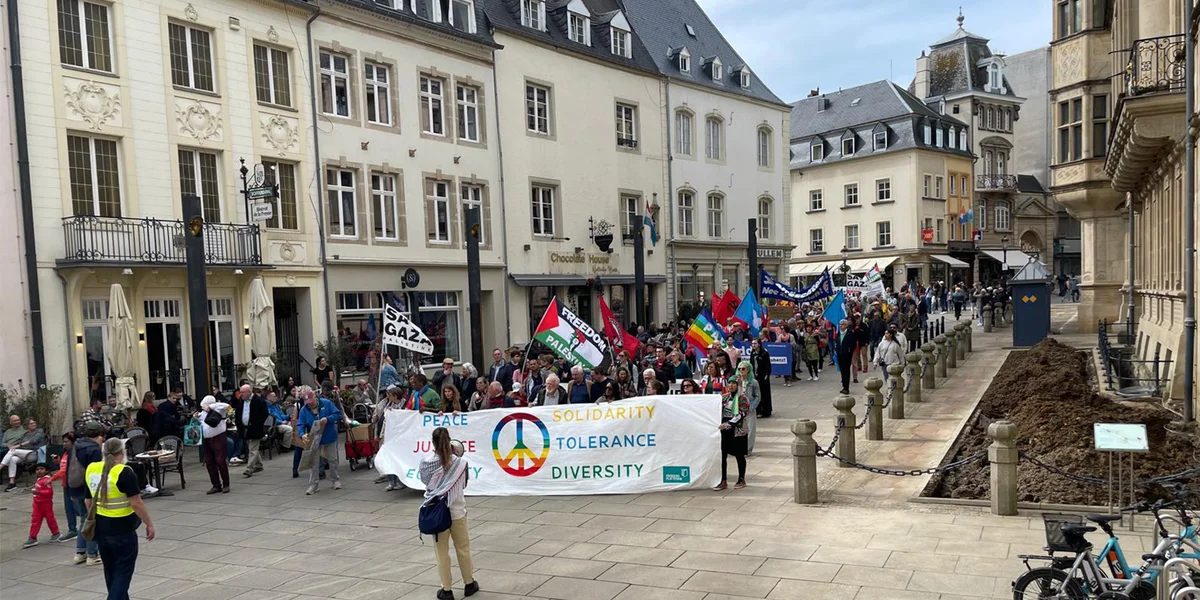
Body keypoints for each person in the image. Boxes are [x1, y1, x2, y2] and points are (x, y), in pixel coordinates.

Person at [85, 437, 155, 600]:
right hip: (122, 528)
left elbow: (87, 501)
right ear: (122, 452)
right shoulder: (124, 472)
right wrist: (149, 523)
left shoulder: (91, 469)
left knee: (111, 572)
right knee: (123, 573)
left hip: (101, 528)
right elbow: (136, 503)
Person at [419, 427, 478, 600]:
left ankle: (446, 589)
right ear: (449, 440)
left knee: (442, 552)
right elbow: (464, 484)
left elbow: (424, 481)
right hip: (457, 510)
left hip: (437, 512)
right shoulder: (461, 463)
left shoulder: (426, 462)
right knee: (463, 548)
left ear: (433, 443)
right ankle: (469, 583)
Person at [297, 385, 343, 495]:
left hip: (328, 435)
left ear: (315, 396)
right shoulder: (304, 410)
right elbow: (300, 423)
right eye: (307, 401)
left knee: (332, 459)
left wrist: (327, 419)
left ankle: (335, 479)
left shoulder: (326, 403)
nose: (310, 403)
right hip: (314, 437)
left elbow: (337, 414)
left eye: (311, 400)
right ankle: (314, 484)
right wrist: (302, 434)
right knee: (313, 461)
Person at [67, 422, 103, 564]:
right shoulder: (93, 449)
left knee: (83, 520)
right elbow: (94, 473)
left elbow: (69, 467)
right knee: (92, 520)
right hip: (88, 489)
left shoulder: (75, 446)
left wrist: (69, 490)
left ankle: (80, 552)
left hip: (74, 487)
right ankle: (92, 554)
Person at [714, 379, 750, 491]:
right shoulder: (724, 397)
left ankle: (741, 478)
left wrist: (728, 424)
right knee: (722, 455)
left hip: (738, 430)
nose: (731, 385)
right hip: (724, 431)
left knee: (739, 455)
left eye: (734, 383)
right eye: (729, 383)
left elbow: (742, 414)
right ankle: (723, 480)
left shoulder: (743, 398)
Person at [197, 396, 231, 494]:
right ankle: (216, 485)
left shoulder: (219, 409)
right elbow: (200, 422)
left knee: (220, 461)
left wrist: (212, 406)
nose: (203, 408)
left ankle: (226, 484)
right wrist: (196, 417)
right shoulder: (203, 413)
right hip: (207, 439)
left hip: (218, 437)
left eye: (204, 406)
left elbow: (228, 406)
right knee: (209, 462)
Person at [233, 385, 269, 478]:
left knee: (252, 449)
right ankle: (259, 465)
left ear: (249, 392)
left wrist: (257, 423)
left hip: (254, 428)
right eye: (240, 392)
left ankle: (249, 468)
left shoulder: (258, 401)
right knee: (251, 447)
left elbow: (265, 413)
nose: (241, 394)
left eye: (243, 392)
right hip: (244, 428)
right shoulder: (241, 401)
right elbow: (238, 414)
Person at [23, 462, 61, 548]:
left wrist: (39, 492)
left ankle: (55, 533)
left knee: (49, 519)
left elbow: (49, 492)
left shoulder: (46, 481)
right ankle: (33, 537)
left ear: (46, 470)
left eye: (41, 469)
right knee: (36, 520)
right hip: (38, 504)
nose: (39, 471)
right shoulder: (40, 480)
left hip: (45, 503)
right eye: (37, 469)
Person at [3, 418, 45, 491]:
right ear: (27, 426)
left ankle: (1, 466)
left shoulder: (39, 431)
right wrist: (13, 445)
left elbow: (33, 440)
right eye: (31, 423)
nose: (33, 424)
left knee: (13, 451)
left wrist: (18, 446)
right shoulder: (25, 434)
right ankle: (12, 483)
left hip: (34, 453)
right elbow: (20, 442)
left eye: (34, 422)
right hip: (24, 453)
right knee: (12, 459)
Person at [734, 360, 761, 454]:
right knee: (737, 429)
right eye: (739, 369)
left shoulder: (753, 382)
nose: (741, 370)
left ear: (748, 370)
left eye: (743, 369)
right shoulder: (735, 381)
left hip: (749, 409)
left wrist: (752, 407)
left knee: (750, 429)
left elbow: (758, 396)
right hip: (737, 408)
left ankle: (747, 449)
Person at [749, 340, 772, 419]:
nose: (753, 345)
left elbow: (768, 365)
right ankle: (757, 410)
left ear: (759, 344)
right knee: (755, 393)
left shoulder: (764, 353)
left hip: (763, 376)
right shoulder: (752, 353)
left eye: (755, 343)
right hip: (754, 376)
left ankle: (765, 411)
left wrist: (767, 375)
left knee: (764, 393)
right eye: (752, 344)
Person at [835, 319, 856, 395]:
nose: (842, 326)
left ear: (846, 325)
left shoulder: (850, 333)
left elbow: (853, 344)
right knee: (842, 370)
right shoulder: (838, 333)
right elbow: (837, 342)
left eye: (843, 324)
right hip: (840, 354)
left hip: (847, 354)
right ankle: (844, 385)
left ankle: (846, 387)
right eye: (841, 324)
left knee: (846, 370)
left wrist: (849, 350)